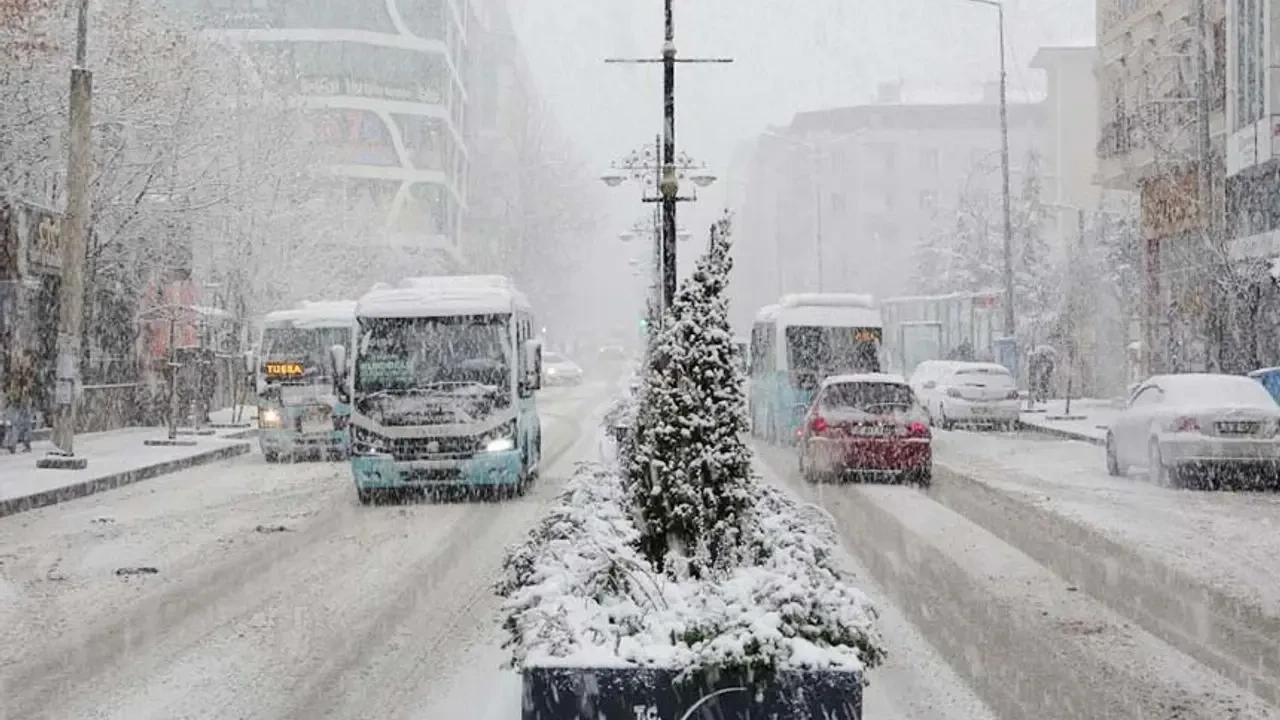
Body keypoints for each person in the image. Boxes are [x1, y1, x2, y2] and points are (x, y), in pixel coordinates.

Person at [4, 350, 36, 453]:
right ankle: (15, 443)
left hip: (21, 400)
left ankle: (15, 444)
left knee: (18, 423)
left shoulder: (25, 373)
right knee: (16, 423)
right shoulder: (20, 374)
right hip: (18, 400)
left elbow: (27, 386)